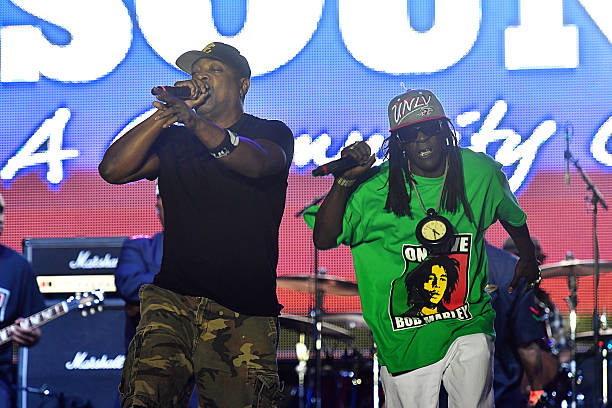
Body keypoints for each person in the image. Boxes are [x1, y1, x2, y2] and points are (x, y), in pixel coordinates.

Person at [308, 89, 541, 407]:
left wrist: (527, 255)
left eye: (430, 129)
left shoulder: (479, 172)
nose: (422, 139)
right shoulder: (375, 189)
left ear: (445, 131)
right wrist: (344, 182)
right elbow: (323, 238)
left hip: (467, 320)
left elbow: (511, 213)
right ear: (399, 142)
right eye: (410, 133)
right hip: (405, 337)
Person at [99, 42, 294, 407]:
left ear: (243, 85)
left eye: (214, 70)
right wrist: (166, 115)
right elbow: (112, 170)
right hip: (172, 300)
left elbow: (258, 163)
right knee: (144, 397)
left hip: (242, 309)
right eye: (196, 71)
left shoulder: (270, 132)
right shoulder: (175, 139)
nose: (201, 76)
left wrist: (194, 122)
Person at [485, 242, 558, 407]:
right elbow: (527, 348)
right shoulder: (512, 268)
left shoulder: (426, 262)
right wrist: (536, 388)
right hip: (500, 391)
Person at [0, 192, 45, 407]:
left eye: (1, 211)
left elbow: (34, 327)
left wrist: (29, 334)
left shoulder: (19, 267)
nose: (0, 218)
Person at [114, 186, 164, 352]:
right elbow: (129, 286)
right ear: (158, 203)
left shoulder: (209, 247)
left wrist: (153, 295)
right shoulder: (139, 247)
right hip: (150, 358)